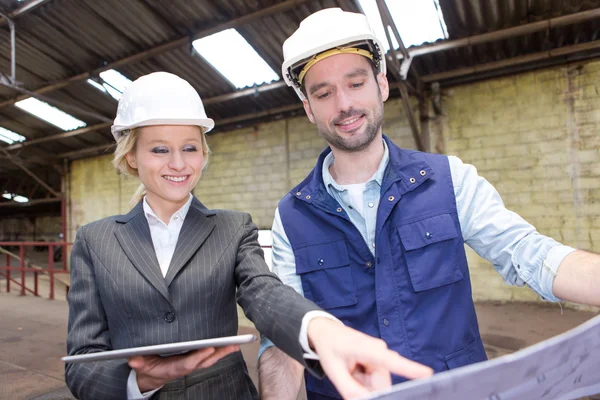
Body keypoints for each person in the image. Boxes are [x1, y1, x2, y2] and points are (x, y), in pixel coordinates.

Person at [257, 8, 600, 400]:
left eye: (355, 83)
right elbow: (283, 337)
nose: (344, 104)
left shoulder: (448, 180)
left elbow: (529, 254)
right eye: (323, 93)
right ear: (308, 108)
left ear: (382, 84)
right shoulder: (291, 217)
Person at [64, 72, 432, 400]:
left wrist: (318, 329)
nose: (178, 163)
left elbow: (263, 291)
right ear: (131, 157)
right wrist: (139, 381)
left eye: (189, 148)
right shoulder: (95, 241)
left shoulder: (232, 227)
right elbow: (81, 363)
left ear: (203, 153)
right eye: (160, 149)